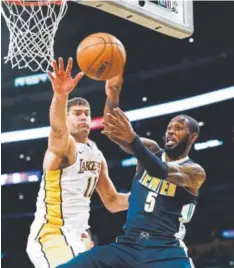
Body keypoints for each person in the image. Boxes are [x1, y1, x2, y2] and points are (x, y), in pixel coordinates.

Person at [57, 76, 206, 268]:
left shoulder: (194, 172)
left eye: (178, 128)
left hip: (165, 249)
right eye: (169, 127)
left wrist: (133, 138)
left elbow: (159, 170)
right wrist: (112, 94)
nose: (171, 131)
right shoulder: (151, 149)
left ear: (192, 137)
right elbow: (113, 132)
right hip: (129, 245)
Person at [26, 58, 129, 268]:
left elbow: (113, 201)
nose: (83, 117)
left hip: (78, 237)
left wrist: (151, 195)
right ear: (66, 117)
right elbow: (57, 130)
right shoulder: (65, 147)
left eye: (87, 114)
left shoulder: (96, 154)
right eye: (77, 113)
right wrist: (61, 95)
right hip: (52, 233)